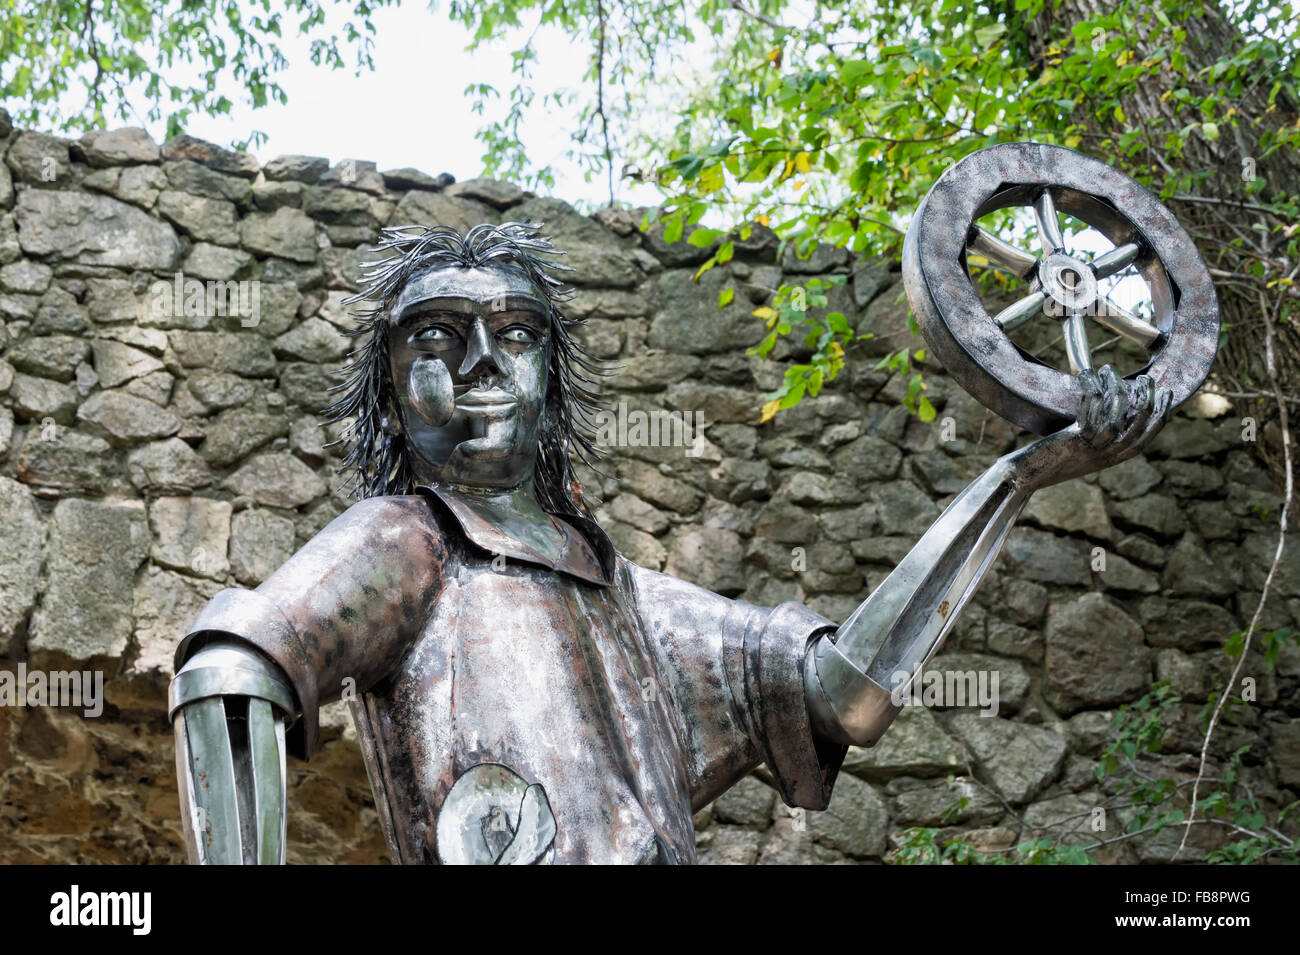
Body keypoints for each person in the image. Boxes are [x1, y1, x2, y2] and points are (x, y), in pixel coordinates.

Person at [169, 221, 1170, 864]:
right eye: (432, 341)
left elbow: (844, 690)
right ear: (391, 387)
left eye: (514, 334)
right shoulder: (405, 541)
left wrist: (1020, 475)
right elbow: (229, 669)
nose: (478, 363)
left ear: (551, 377)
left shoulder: (626, 596)